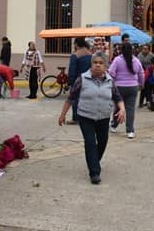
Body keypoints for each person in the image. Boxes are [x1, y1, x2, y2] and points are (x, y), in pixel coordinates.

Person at [57, 52, 126, 184]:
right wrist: (62, 115)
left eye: (101, 63)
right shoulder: (82, 79)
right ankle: (94, 172)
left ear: (106, 66)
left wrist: (122, 109)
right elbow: (71, 98)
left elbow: (118, 97)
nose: (98, 66)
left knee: (102, 143)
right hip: (85, 116)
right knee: (90, 143)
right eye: (95, 63)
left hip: (104, 117)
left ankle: (93, 161)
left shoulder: (110, 80)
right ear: (91, 65)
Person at [109, 43, 144, 138]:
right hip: (133, 87)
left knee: (118, 107)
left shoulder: (117, 60)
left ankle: (113, 125)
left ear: (121, 50)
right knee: (130, 109)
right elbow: (141, 73)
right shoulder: (136, 60)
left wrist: (114, 80)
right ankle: (130, 131)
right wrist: (141, 83)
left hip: (119, 87)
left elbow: (111, 73)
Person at [67, 37, 92, 124]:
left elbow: (72, 70)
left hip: (78, 80)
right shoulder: (90, 54)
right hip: (89, 80)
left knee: (75, 99)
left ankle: (76, 118)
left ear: (76, 44)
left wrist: (70, 82)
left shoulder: (75, 55)